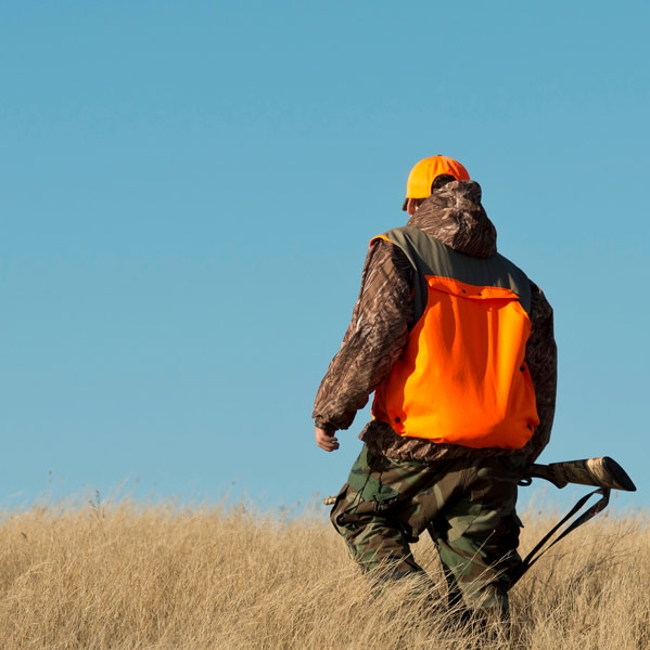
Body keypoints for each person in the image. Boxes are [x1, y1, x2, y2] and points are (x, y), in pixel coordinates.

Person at [312, 155, 557, 634]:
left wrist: (331, 412)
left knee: (360, 518)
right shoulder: (522, 284)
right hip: (495, 450)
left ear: (414, 202)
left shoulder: (400, 249)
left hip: (415, 440)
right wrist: (528, 450)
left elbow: (375, 335)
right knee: (480, 584)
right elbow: (543, 374)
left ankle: (425, 628)